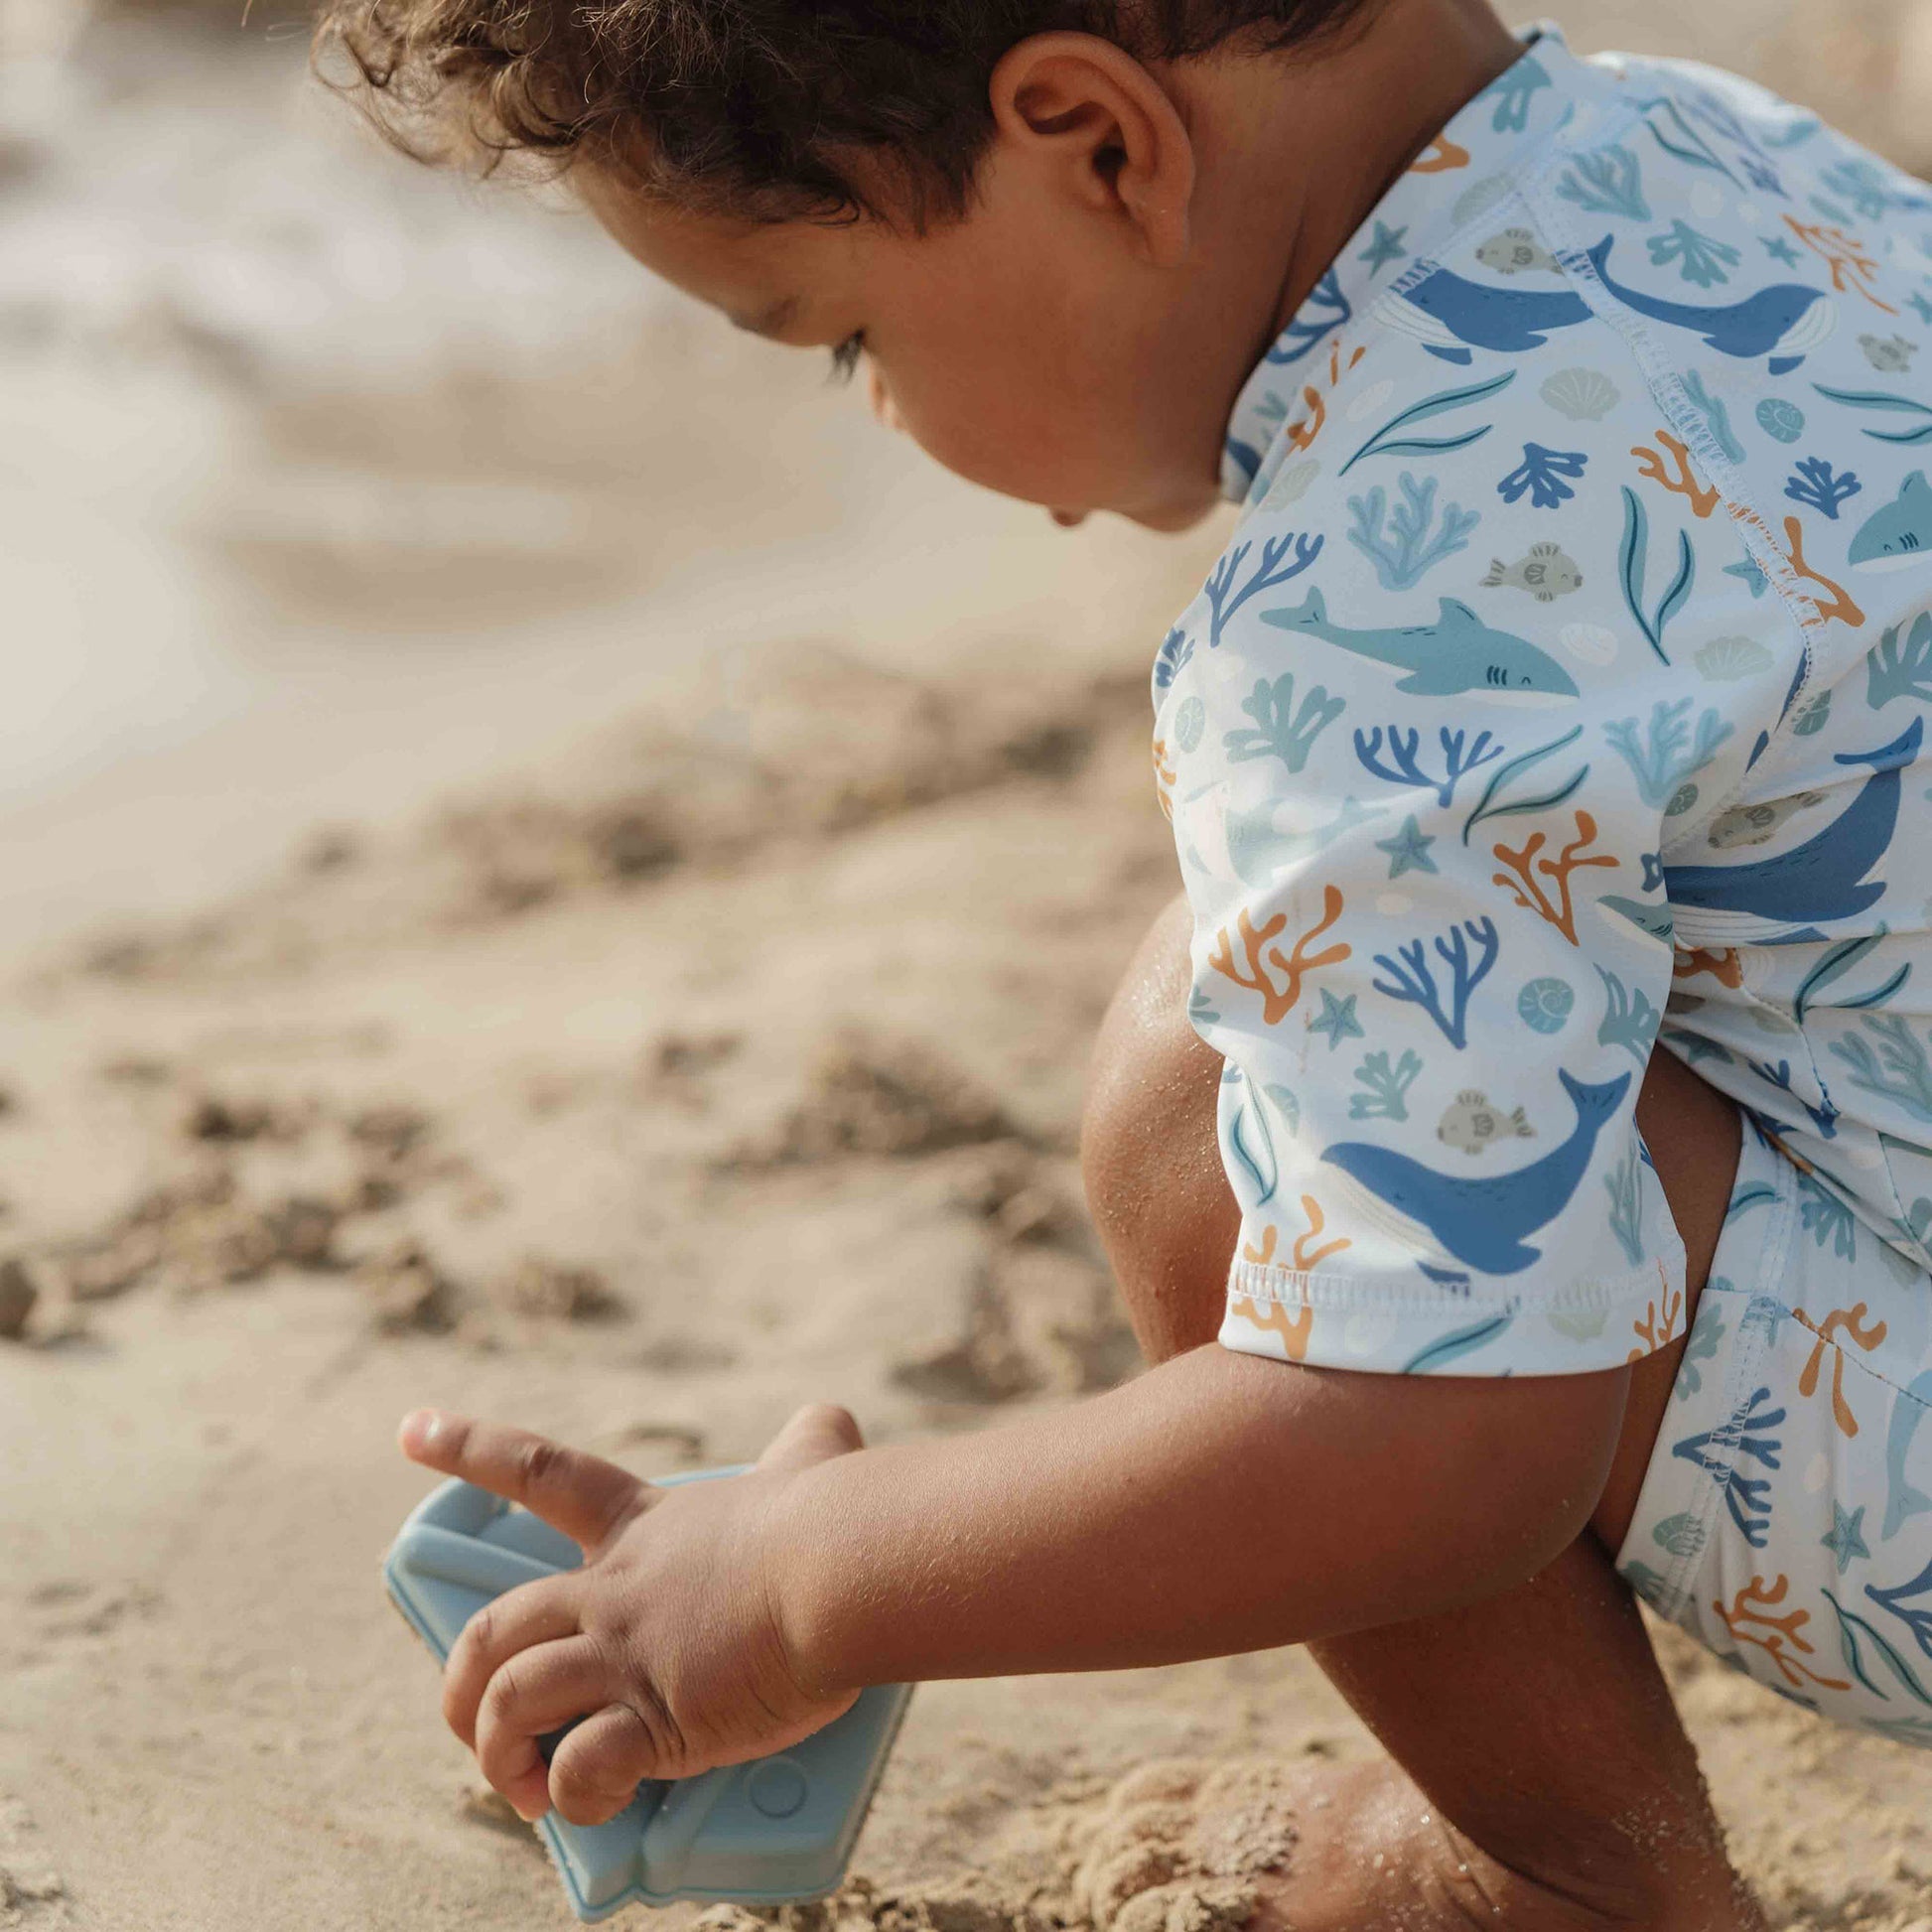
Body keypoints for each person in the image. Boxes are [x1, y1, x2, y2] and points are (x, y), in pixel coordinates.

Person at [313, 0, 1932, 1920]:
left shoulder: (1362, 640)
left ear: (1094, 141)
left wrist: (810, 1571)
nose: (888, 413)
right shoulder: (1722, 156)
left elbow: (1448, 1435)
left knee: (1204, 1075)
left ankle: (1576, 1879)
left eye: (846, 338)